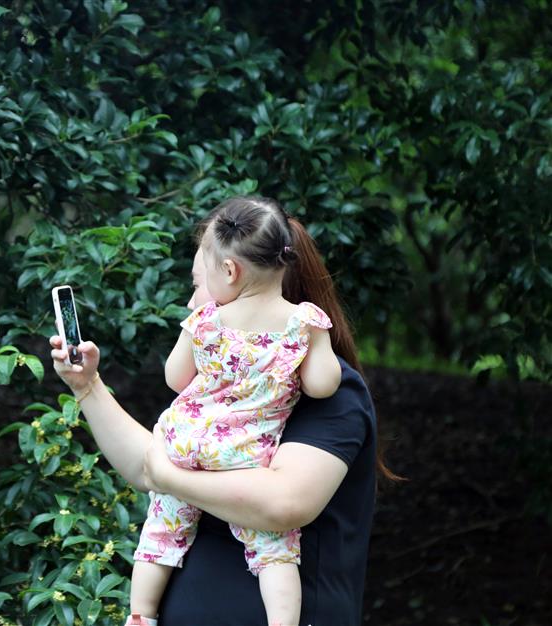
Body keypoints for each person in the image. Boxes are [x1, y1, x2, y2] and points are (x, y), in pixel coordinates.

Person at [49, 195, 383, 625]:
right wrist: (87, 386)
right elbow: (147, 464)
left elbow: (282, 503)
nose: (191, 304)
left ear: (232, 273)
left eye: (196, 284)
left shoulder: (334, 395)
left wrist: (167, 476)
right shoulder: (221, 381)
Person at [127, 198, 341, 626]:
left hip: (185, 443)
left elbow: (175, 377)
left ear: (229, 272)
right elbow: (323, 384)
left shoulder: (207, 321)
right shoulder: (304, 323)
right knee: (274, 550)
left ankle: (140, 614)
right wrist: (315, 350)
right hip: (244, 456)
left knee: (162, 529)